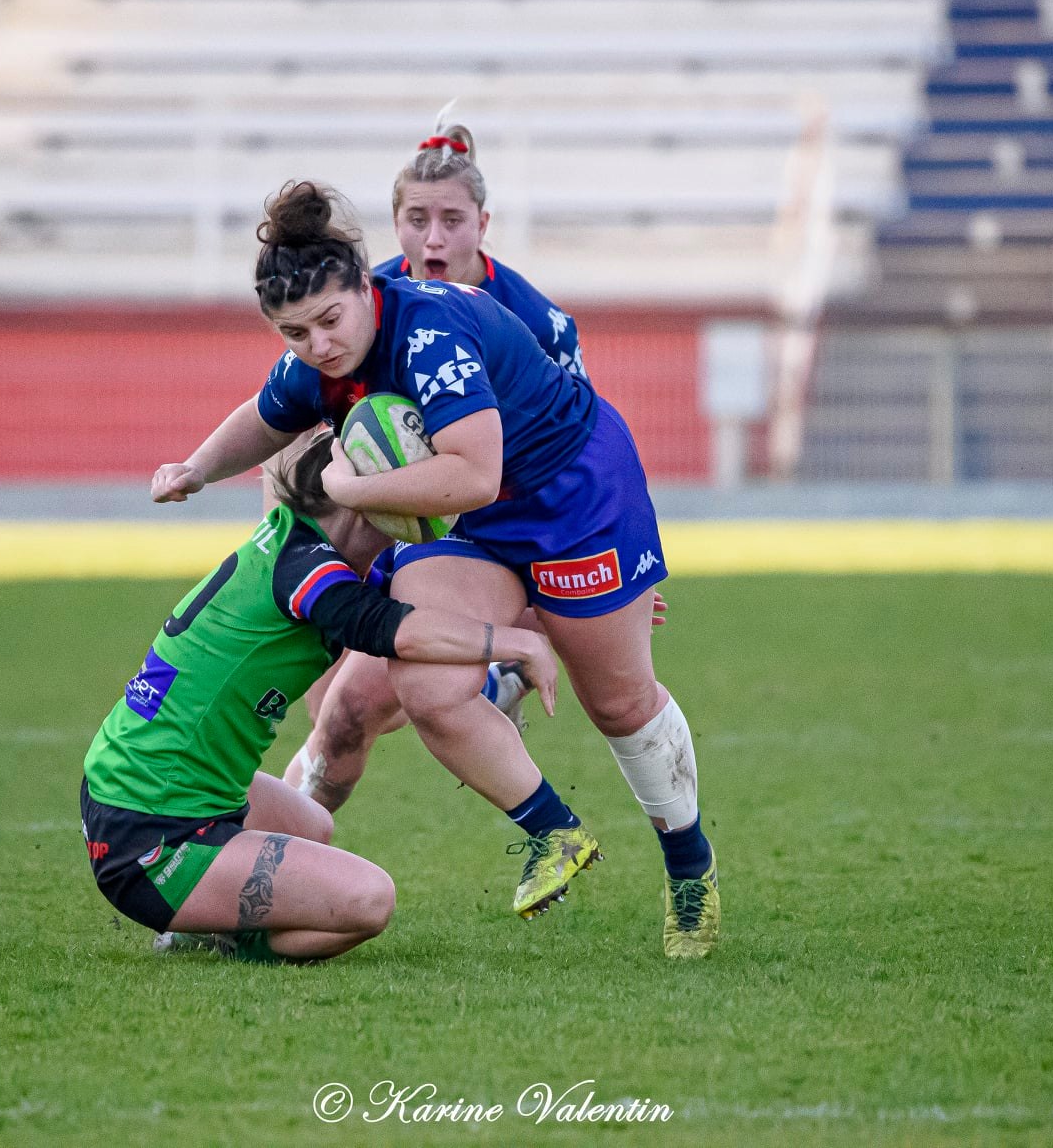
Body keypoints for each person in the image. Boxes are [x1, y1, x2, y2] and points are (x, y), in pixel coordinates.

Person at [151, 180, 720, 958]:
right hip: (477, 517)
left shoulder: (427, 332)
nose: (318, 344)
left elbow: (476, 472)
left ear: (364, 285)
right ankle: (554, 832)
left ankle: (690, 871)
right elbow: (265, 415)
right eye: (295, 333)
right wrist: (195, 467)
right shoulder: (321, 356)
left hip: (574, 498)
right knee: (419, 671)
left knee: (618, 704)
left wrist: (349, 487)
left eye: (329, 320)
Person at [283, 117, 649, 812]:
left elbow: (580, 461)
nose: (432, 239)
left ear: (483, 223)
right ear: (395, 223)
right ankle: (280, 874)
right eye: (416, 219)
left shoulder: (536, 322)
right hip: (422, 529)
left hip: (513, 534)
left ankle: (273, 868)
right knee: (334, 707)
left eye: (451, 219)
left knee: (351, 707)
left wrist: (616, 569)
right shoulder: (365, 302)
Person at [86, 431, 563, 963]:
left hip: (143, 785)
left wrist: (576, 614)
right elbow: (394, 630)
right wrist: (515, 643)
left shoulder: (308, 548)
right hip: (149, 828)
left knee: (313, 826)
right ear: (370, 502)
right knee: (368, 901)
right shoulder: (309, 572)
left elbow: (436, 612)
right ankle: (227, 934)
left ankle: (208, 912)